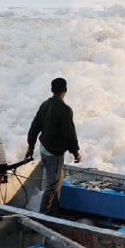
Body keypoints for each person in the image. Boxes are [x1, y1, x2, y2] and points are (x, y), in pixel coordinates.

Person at [25, 77, 81, 215]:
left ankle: (53, 213)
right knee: (52, 185)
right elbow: (70, 134)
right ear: (65, 90)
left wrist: (30, 148)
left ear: (52, 90)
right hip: (53, 153)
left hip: (43, 149)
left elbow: (34, 127)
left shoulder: (45, 105)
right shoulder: (65, 110)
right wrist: (75, 152)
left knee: (56, 182)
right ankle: (44, 216)